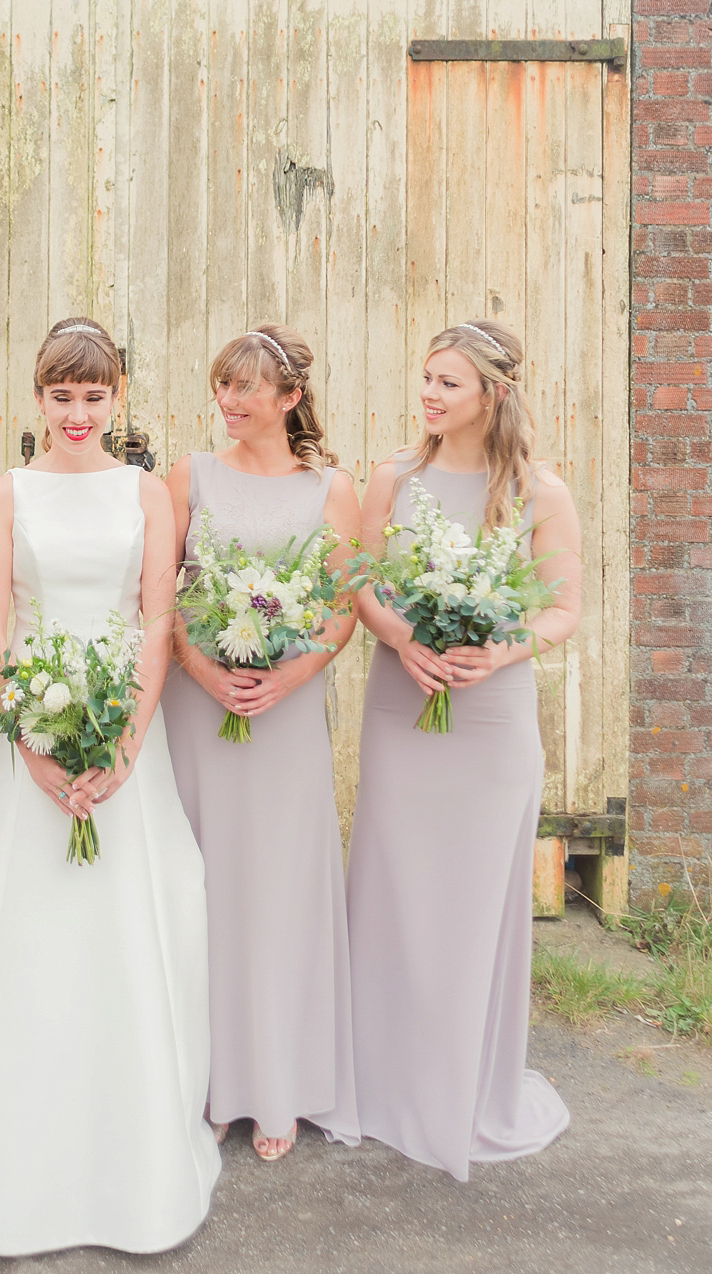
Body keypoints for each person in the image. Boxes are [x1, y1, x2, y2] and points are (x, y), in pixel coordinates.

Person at [0, 317, 220, 1255]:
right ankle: (3, 1149)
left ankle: (131, 1150)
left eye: (94, 395)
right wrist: (30, 740)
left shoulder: (148, 493)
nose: (77, 413)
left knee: (126, 925)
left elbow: (155, 623)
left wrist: (125, 742)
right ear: (38, 400)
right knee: (23, 930)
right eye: (61, 397)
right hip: (30, 732)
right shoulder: (6, 494)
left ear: (117, 398)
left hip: (122, 744)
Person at [347, 319, 580, 1179]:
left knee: (474, 901)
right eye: (427, 378)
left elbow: (560, 609)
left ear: (493, 394)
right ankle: (379, 1082)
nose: (430, 395)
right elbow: (362, 581)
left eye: (449, 382)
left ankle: (464, 1089)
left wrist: (501, 647)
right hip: (402, 705)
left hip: (490, 720)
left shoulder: (538, 492)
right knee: (396, 887)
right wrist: (403, 637)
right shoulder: (393, 480)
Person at [163, 324, 360, 1160]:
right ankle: (211, 1082)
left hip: (285, 712)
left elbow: (343, 607)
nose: (230, 402)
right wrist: (204, 671)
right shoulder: (188, 476)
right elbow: (163, 592)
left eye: (247, 389)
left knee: (276, 890)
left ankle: (273, 1081)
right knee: (200, 887)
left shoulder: (331, 489)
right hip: (198, 704)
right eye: (222, 385)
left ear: (290, 400)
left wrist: (289, 677)